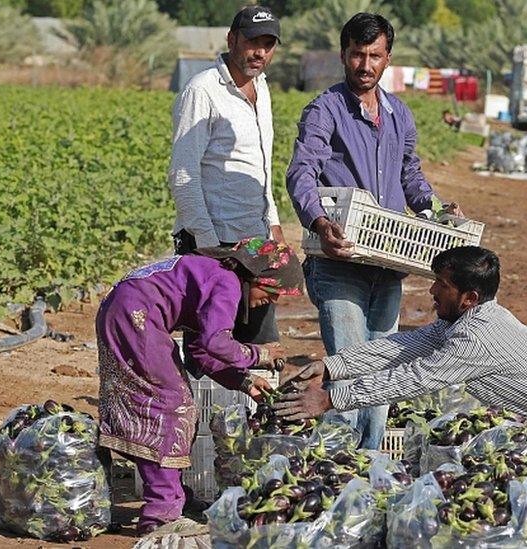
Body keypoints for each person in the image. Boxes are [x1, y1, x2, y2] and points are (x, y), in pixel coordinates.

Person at [272, 246, 527, 480]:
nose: (432, 292)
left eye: (441, 285)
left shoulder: (477, 338)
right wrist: (334, 367)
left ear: (469, 298)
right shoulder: (461, 321)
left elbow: (415, 378)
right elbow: (403, 347)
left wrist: (334, 398)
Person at [285, 12, 461, 450]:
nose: (366, 65)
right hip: (339, 259)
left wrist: (436, 208)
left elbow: (410, 176)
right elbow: (301, 173)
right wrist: (319, 220)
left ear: (388, 59)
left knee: (383, 374)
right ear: (344, 55)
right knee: (347, 365)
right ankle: (341, 467)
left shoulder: (399, 114)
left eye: (375, 56)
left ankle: (369, 463)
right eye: (358, 55)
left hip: (388, 262)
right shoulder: (324, 110)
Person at [95, 238, 303, 533]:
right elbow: (216, 342)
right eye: (271, 292)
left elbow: (201, 352)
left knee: (166, 406)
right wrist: (260, 355)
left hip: (124, 308)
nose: (271, 301)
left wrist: (244, 381)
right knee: (168, 406)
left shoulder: (214, 276)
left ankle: (172, 495)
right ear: (255, 276)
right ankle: (161, 513)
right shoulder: (227, 283)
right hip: (135, 315)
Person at [167, 5, 285, 348]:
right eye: (251, 42)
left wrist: (273, 221)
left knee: (257, 345)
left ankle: (249, 405)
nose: (259, 52)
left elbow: (259, 166)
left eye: (268, 44)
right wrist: (207, 244)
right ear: (231, 39)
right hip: (215, 241)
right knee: (210, 346)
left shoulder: (261, 89)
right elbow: (183, 173)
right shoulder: (203, 91)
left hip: (254, 241)